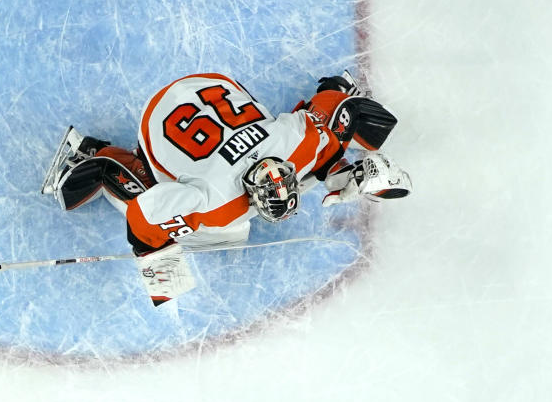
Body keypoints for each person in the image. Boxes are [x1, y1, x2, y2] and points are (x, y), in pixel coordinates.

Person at [40, 71, 410, 301]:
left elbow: (340, 110)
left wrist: (350, 169)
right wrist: (158, 263)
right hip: (159, 120)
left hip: (211, 86)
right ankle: (97, 156)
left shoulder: (294, 140)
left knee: (335, 136)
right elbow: (144, 214)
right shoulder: (214, 203)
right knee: (220, 235)